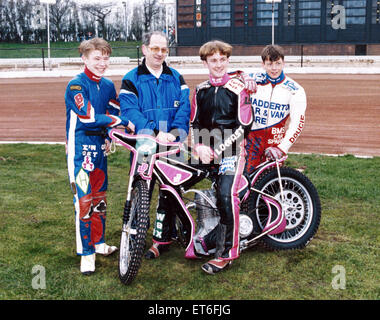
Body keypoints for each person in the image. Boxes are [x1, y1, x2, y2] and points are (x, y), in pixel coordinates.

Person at [119, 31, 191, 259]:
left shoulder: (177, 78)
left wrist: (174, 135)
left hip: (172, 146)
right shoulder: (131, 79)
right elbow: (131, 112)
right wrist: (157, 133)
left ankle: (162, 240)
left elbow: (184, 110)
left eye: (164, 49)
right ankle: (134, 238)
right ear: (144, 49)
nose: (160, 53)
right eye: (155, 49)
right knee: (142, 194)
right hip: (145, 146)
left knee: (169, 194)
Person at [65, 37, 134, 275]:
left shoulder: (106, 85)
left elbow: (112, 112)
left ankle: (99, 242)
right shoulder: (75, 85)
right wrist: (122, 121)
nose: (102, 63)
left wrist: (109, 134)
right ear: (84, 58)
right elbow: (89, 117)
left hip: (100, 151)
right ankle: (86, 254)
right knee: (84, 202)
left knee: (100, 200)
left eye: (105, 58)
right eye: (97, 58)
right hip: (79, 152)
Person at [190, 40, 253, 274]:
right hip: (207, 152)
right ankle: (168, 238)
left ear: (228, 60)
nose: (218, 64)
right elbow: (195, 124)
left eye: (222, 59)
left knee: (226, 195)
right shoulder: (200, 90)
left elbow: (244, 126)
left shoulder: (239, 87)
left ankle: (227, 252)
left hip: (232, 151)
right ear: (205, 62)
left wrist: (216, 151)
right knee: (173, 179)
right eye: (213, 60)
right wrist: (199, 146)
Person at [245, 44, 307, 173]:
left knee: (270, 186)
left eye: (278, 63)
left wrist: (282, 148)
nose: (274, 68)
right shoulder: (252, 80)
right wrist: (243, 77)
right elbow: (228, 77)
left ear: (283, 63)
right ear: (263, 64)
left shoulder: (295, 90)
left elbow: (298, 123)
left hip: (274, 144)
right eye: (269, 64)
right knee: (245, 181)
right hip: (251, 142)